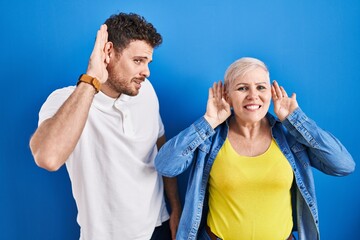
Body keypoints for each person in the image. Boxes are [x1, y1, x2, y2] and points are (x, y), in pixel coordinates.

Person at [154, 57, 355, 240]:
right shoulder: (210, 139)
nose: (253, 96)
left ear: (271, 92)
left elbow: (343, 165)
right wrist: (208, 122)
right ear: (228, 95)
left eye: (261, 87)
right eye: (242, 88)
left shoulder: (290, 138)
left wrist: (296, 119)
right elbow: (165, 165)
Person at [29, 13, 181, 240]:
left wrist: (175, 207)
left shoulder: (145, 90)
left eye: (148, 62)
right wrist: (92, 79)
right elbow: (48, 157)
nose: (146, 72)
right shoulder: (66, 100)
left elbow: (159, 144)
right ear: (108, 53)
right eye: (138, 61)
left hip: (158, 226)